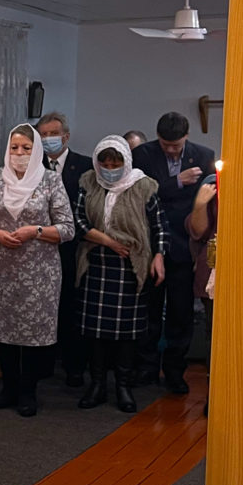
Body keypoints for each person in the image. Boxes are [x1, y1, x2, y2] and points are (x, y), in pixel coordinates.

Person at [0, 123, 76, 417]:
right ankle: (9, 388)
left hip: (39, 273)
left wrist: (35, 230)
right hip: (2, 270)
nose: (19, 153)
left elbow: (67, 228)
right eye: (14, 148)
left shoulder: (50, 180)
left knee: (31, 333)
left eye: (26, 148)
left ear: (36, 150)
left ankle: (28, 391)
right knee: (4, 329)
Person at [73, 136, 166, 414]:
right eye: (106, 164)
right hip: (96, 263)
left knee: (126, 333)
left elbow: (160, 226)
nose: (110, 169)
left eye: (116, 164)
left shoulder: (144, 186)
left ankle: (123, 386)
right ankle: (97, 384)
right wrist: (108, 241)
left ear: (126, 162)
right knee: (95, 331)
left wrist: (159, 256)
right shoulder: (88, 182)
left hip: (130, 267)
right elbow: (78, 220)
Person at [131, 113, 215, 393]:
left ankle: (175, 371)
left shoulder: (203, 156)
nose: (170, 150)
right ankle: (146, 367)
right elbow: (144, 195)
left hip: (184, 243)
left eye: (175, 145)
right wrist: (177, 181)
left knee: (181, 314)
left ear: (187, 136)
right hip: (149, 242)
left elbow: (204, 201)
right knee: (149, 311)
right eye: (165, 144)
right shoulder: (143, 154)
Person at [36, 112, 92, 386]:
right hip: (40, 247)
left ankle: (74, 367)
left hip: (73, 247)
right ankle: (43, 366)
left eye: (53, 134)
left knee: (71, 306)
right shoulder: (33, 166)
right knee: (43, 308)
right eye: (43, 135)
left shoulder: (85, 166)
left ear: (66, 136)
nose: (48, 139)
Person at [186, 173, 218, 416]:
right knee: (213, 335)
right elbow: (197, 232)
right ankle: (212, 394)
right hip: (213, 272)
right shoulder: (212, 184)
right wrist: (200, 204)